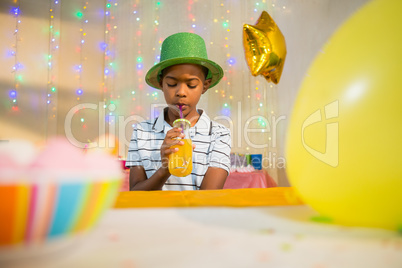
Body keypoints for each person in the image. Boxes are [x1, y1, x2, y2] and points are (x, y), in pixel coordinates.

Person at [126, 32, 231, 191]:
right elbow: (135, 193)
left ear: (205, 85)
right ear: (161, 83)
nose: (181, 92)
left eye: (191, 85)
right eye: (172, 83)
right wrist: (164, 169)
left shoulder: (219, 134)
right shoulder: (142, 131)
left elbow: (209, 196)